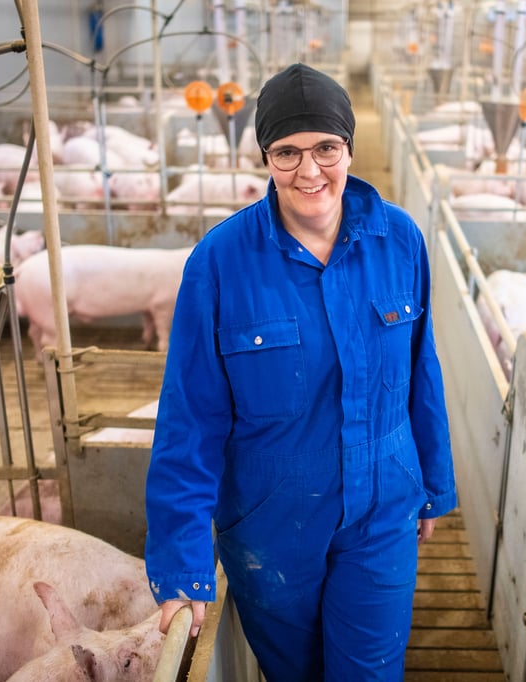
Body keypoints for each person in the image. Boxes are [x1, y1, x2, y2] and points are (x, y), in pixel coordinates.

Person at [144, 63, 457, 681]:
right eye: (287, 152)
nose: (309, 170)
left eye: (326, 149)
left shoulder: (400, 240)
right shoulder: (219, 263)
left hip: (382, 508)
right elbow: (191, 418)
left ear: (349, 149)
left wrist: (433, 485)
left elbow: (422, 368)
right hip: (271, 524)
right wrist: (181, 563)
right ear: (265, 157)